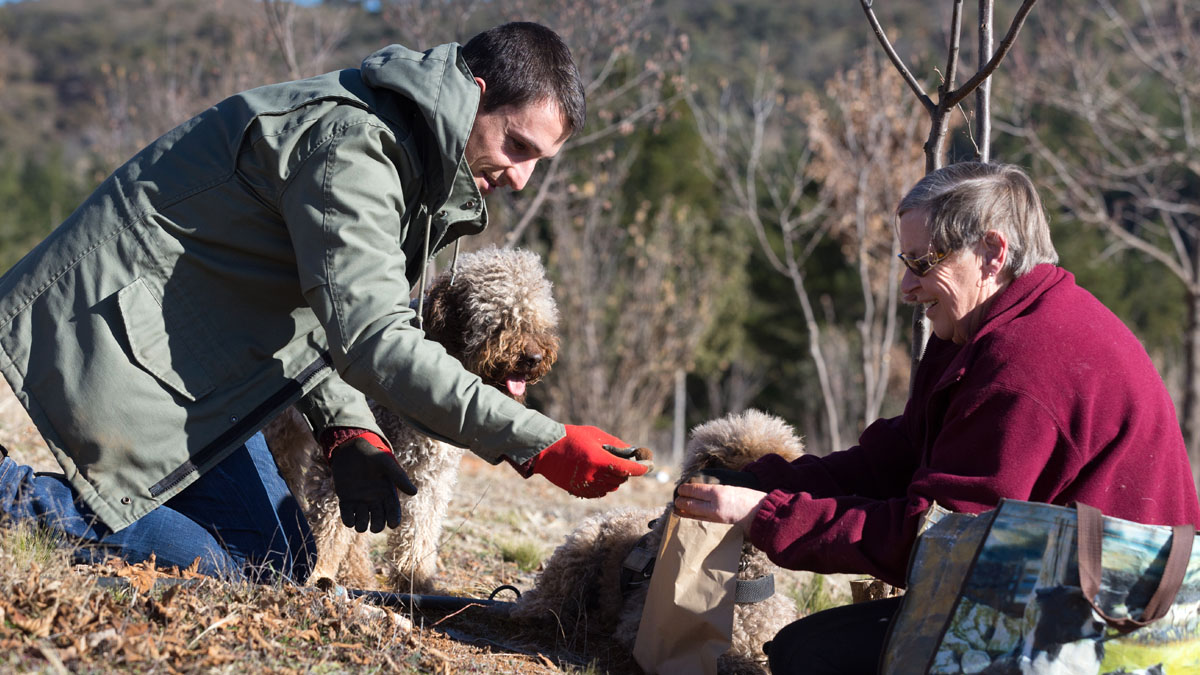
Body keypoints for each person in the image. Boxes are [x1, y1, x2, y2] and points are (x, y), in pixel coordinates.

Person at [0, 22, 649, 583]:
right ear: (476, 94)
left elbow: (317, 313)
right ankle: (13, 498)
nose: (520, 178)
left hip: (198, 361)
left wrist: (344, 425)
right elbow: (373, 338)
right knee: (217, 564)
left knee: (274, 561)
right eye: (517, 146)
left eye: (541, 161)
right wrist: (542, 442)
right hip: (119, 332)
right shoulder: (359, 148)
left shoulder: (412, 163)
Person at [673, 161, 1200, 673]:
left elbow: (937, 542)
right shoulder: (981, 330)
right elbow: (904, 454)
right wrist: (763, 480)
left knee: (812, 655)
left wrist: (766, 515)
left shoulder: (1027, 364)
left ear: (992, 253)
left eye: (923, 263)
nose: (907, 288)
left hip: (1118, 631)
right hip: (1054, 589)